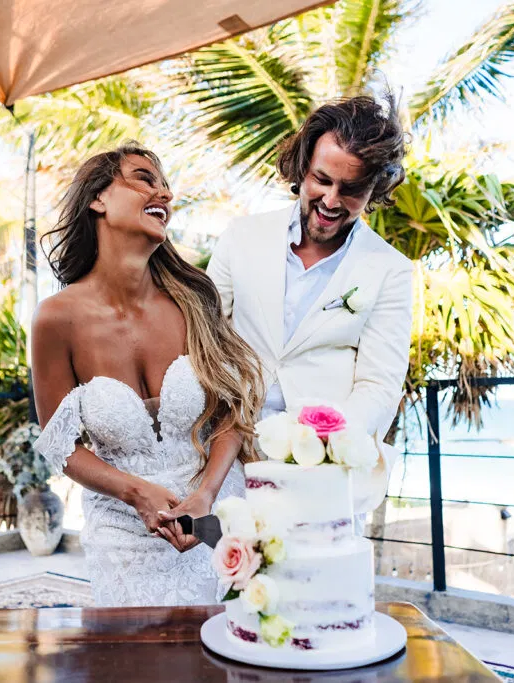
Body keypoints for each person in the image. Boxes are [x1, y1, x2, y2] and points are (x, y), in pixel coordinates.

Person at [32, 143, 265, 607]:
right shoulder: (55, 320)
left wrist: (205, 496)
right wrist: (135, 492)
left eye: (165, 183)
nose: (164, 192)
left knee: (216, 656)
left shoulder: (194, 301)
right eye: (144, 178)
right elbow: (60, 445)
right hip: (121, 528)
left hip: (212, 513)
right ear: (98, 199)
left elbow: (232, 416)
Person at [207, 93, 413, 512]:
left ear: (375, 188)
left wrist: (321, 448)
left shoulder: (390, 270)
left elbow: (379, 385)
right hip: (226, 460)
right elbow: (205, 340)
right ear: (303, 168)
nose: (332, 201)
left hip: (324, 478)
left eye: (352, 188)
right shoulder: (240, 237)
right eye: (323, 180)